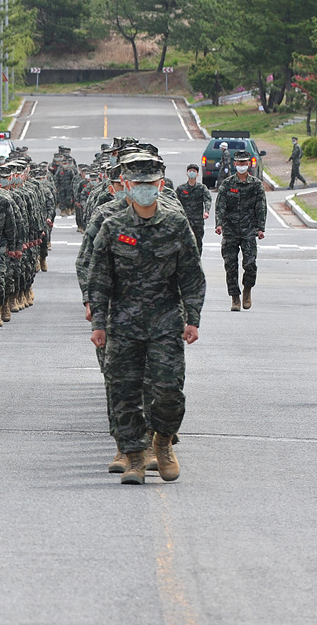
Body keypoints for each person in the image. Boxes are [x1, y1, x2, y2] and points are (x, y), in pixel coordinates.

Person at [87, 150, 204, 485]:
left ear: (160, 185)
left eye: (149, 184)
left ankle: (163, 442)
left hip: (166, 322)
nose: (143, 189)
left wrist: (192, 318)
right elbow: (99, 277)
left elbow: (192, 276)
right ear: (126, 184)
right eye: (137, 183)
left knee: (168, 391)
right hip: (123, 324)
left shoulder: (175, 224)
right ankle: (134, 457)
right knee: (123, 394)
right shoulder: (112, 227)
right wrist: (98, 323)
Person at [214, 149, 267, 311]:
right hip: (230, 231)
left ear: (248, 164)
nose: (242, 165)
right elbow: (220, 205)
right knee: (230, 265)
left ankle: (247, 291)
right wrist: (219, 224)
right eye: (239, 163)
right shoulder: (227, 184)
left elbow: (261, 207)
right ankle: (235, 298)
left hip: (249, 230)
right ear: (234, 164)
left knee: (250, 264)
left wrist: (260, 228)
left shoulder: (256, 185)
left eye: (245, 163)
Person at [175, 164, 211, 251]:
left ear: (197, 174)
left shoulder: (202, 188)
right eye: (190, 171)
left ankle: (197, 263)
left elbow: (207, 200)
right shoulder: (181, 189)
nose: (192, 173)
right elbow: (175, 202)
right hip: (185, 221)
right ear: (187, 174)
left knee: (198, 244)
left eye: (194, 171)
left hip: (198, 222)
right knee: (184, 244)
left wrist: (206, 211)